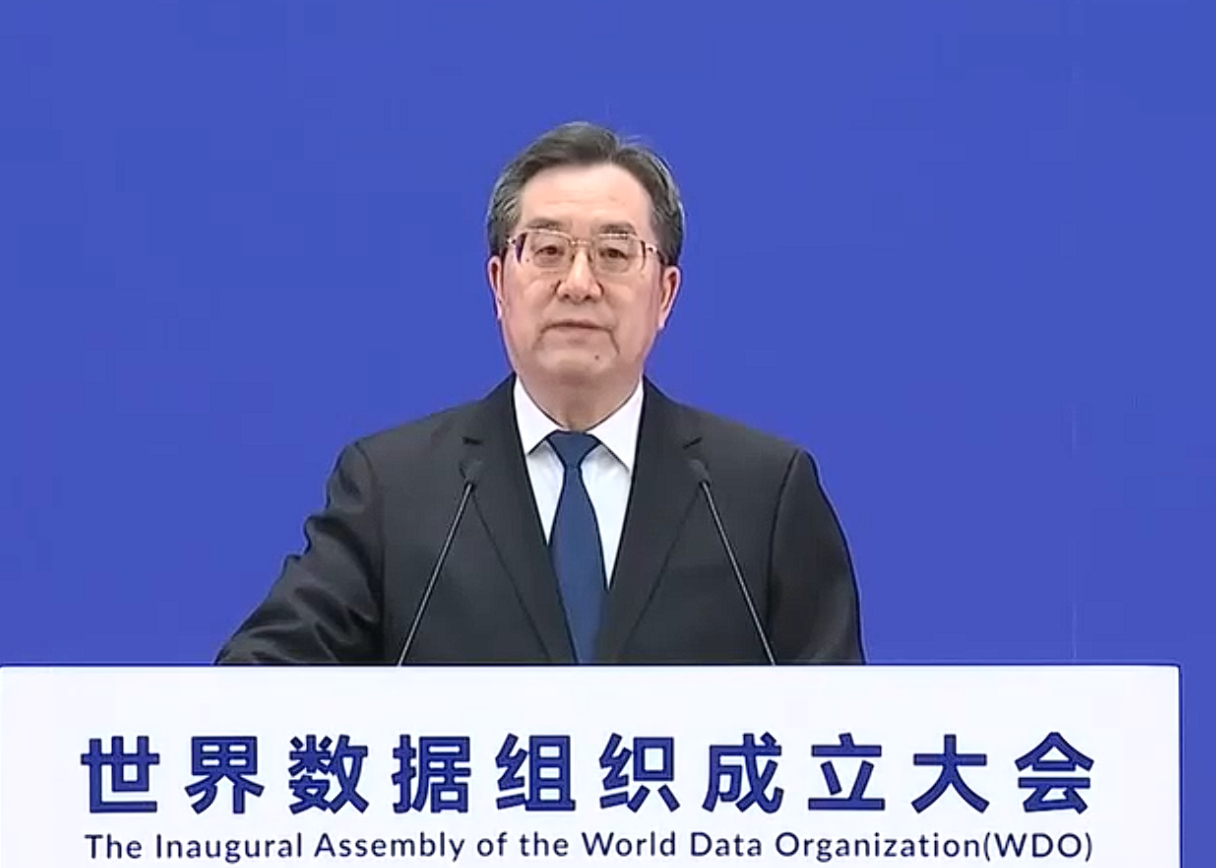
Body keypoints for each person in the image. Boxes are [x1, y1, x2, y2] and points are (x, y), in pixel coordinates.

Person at [215, 121, 865, 666]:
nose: (578, 283)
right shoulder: (392, 489)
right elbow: (256, 686)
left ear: (665, 294)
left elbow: (845, 732)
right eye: (548, 250)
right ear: (499, 284)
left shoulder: (760, 494)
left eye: (614, 254)